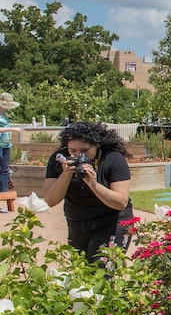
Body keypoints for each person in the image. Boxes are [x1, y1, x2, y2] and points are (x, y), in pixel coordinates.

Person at [43, 122, 133, 265]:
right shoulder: (59, 160)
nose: (78, 155)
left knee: (101, 269)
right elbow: (50, 200)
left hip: (112, 221)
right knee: (81, 274)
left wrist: (93, 184)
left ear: (97, 145)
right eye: (72, 150)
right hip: (78, 223)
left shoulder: (113, 159)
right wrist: (65, 175)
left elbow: (121, 202)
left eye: (84, 150)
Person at [0, 93, 23, 193]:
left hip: (6, 144)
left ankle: (4, 193)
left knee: (5, 169)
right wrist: (12, 128)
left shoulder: (4, 115)